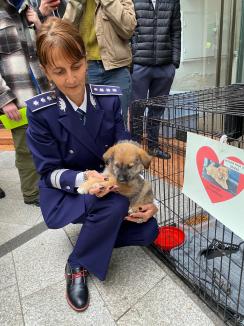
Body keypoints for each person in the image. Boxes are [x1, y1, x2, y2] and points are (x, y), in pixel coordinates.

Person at [26, 17, 159, 312]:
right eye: (59, 72)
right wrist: (84, 181)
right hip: (67, 192)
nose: (71, 79)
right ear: (46, 71)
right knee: (113, 206)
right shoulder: (41, 112)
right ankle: (77, 263)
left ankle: (100, 230)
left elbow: (125, 149)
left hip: (110, 183)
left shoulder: (109, 99)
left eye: (76, 66)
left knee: (148, 231)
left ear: (87, 60)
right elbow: (47, 173)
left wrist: (148, 200)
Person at [0, 0, 56, 206]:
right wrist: (4, 98)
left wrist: (39, 23)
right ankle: (32, 193)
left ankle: (48, 185)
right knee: (25, 148)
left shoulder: (29, 8)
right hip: (16, 97)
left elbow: (47, 47)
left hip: (42, 91)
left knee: (46, 142)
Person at [62, 0, 136, 128]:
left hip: (117, 68)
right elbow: (64, 33)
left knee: (120, 122)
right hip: (86, 69)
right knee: (89, 123)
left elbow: (128, 28)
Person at [130, 0, 181, 159]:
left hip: (165, 66)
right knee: (137, 109)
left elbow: (176, 31)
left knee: (157, 109)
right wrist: (132, 60)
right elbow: (128, 31)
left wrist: (174, 63)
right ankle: (136, 149)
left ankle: (152, 146)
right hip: (139, 65)